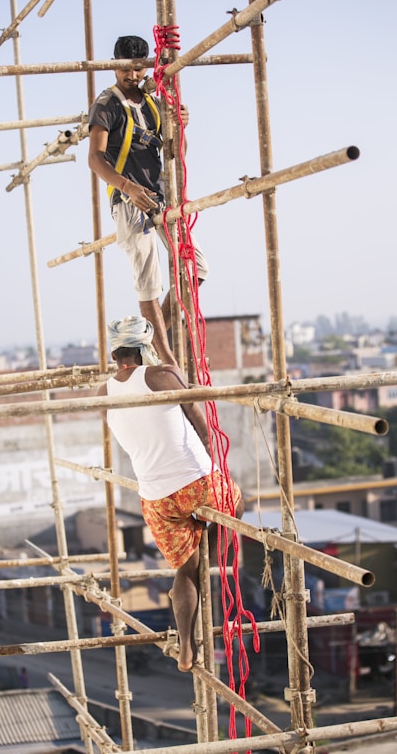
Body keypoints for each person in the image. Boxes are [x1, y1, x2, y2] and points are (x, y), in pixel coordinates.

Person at [101, 315, 244, 672]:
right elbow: (205, 428)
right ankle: (209, 544)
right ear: (144, 346)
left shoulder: (103, 392)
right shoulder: (163, 375)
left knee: (185, 571)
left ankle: (185, 646)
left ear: (115, 351)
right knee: (236, 501)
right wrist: (214, 467)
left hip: (156, 499)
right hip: (196, 484)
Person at [88, 35, 209, 366]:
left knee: (196, 268)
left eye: (139, 69)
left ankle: (151, 340)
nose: (132, 76)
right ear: (114, 65)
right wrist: (128, 187)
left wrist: (180, 129)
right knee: (148, 281)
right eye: (126, 70)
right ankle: (167, 357)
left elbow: (175, 155)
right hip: (129, 201)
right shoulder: (106, 105)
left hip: (161, 195)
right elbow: (95, 160)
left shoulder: (154, 103)